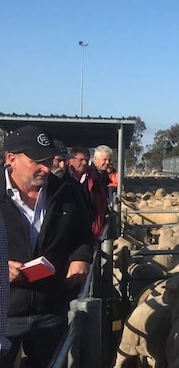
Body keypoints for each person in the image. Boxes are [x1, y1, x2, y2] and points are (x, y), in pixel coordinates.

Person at [1, 126, 93, 368]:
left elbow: (83, 236)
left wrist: (80, 258)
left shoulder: (67, 193)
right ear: (11, 158)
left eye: (49, 161)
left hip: (51, 308)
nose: (46, 168)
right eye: (37, 161)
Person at [64, 145, 109, 237]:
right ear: (71, 160)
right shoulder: (62, 178)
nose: (84, 163)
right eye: (81, 160)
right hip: (68, 229)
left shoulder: (93, 179)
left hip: (90, 228)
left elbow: (99, 202)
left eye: (86, 160)